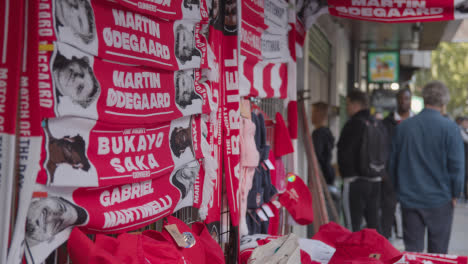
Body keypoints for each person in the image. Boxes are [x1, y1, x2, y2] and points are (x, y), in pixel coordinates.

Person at [389, 81, 465, 254]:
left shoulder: (404, 127)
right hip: (440, 200)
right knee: (438, 253)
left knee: (413, 252)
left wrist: (399, 191)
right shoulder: (451, 129)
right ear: (444, 102)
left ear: (423, 99)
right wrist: (455, 193)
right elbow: (457, 168)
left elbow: (392, 164)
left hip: (410, 199)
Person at [338, 90, 382, 232]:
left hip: (354, 182)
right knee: (373, 227)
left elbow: (345, 153)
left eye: (348, 104)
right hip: (375, 181)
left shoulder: (353, 124)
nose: (347, 108)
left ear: (353, 103)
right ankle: (376, 253)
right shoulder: (376, 123)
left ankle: (355, 254)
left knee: (353, 228)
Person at [380, 88, 413, 239]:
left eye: (406, 98)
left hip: (412, 176)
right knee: (387, 213)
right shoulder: (386, 123)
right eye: (400, 98)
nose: (403, 102)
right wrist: (384, 172)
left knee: (411, 217)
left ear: (410, 100)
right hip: (390, 176)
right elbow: (381, 148)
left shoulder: (416, 122)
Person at [311, 102, 335, 186]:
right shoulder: (327, 132)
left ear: (319, 114)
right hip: (327, 172)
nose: (311, 116)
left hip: (322, 175)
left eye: (313, 112)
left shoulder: (318, 134)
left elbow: (317, 156)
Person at [456, 116, 468, 200]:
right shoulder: (459, 130)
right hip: (462, 156)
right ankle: (463, 192)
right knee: (464, 174)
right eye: (465, 122)